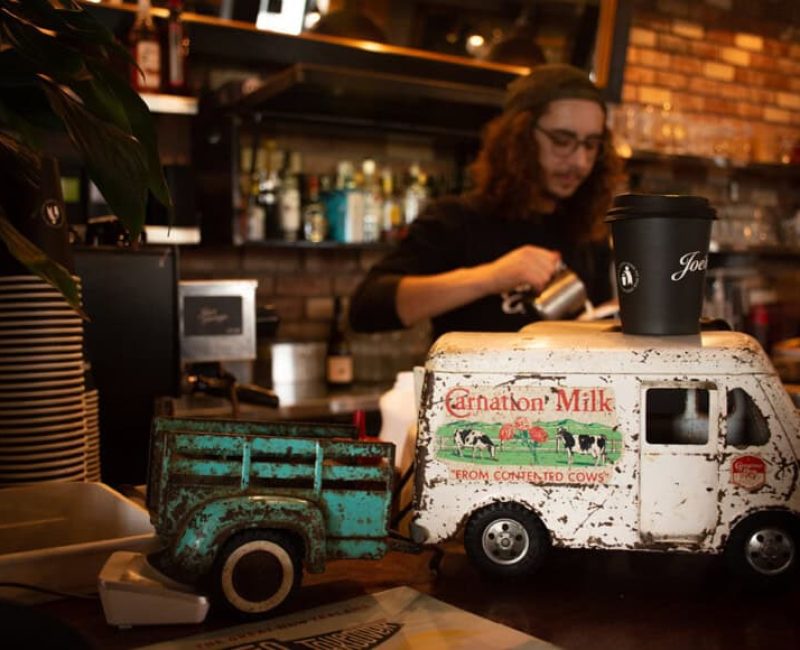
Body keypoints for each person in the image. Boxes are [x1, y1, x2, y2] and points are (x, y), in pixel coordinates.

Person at [348, 63, 622, 340]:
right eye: (562, 140)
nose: (580, 162)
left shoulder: (588, 232)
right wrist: (492, 277)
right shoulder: (456, 219)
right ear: (520, 137)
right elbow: (366, 308)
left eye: (591, 144)